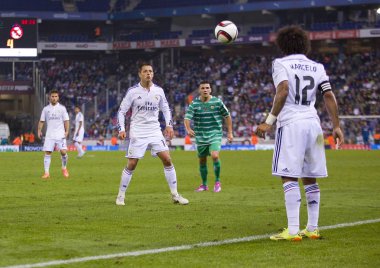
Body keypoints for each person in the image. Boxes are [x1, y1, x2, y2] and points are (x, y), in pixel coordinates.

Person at [255, 26, 344, 241]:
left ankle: (293, 230)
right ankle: (312, 228)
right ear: (305, 44)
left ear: (283, 45)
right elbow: (329, 95)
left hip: (292, 123)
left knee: (288, 174)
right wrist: (337, 126)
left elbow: (283, 90)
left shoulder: (280, 63)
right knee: (310, 176)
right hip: (313, 124)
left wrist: (269, 122)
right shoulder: (317, 66)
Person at [115, 63, 189, 206]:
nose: (148, 74)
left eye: (150, 71)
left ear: (153, 74)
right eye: (145, 71)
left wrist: (169, 125)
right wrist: (122, 129)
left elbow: (166, 109)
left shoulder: (159, 91)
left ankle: (175, 195)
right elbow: (121, 112)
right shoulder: (132, 91)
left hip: (155, 130)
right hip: (138, 130)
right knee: (132, 163)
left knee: (167, 159)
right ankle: (120, 195)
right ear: (140, 74)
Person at [184, 81, 233, 192]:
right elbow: (187, 117)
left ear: (210, 90)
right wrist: (188, 128)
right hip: (200, 135)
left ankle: (217, 182)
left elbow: (227, 116)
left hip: (215, 133)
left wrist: (230, 132)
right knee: (202, 160)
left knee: (215, 156)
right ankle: (204, 185)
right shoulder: (194, 103)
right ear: (199, 90)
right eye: (203, 88)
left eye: (207, 88)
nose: (205, 90)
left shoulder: (217, 102)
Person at [38, 89, 70, 179]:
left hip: (60, 134)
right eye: (53, 96)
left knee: (63, 152)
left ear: (58, 97)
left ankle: (64, 168)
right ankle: (47, 173)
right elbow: (41, 121)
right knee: (48, 152)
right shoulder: (46, 109)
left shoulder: (62, 108)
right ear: (49, 97)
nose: (54, 98)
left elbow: (66, 120)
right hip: (50, 134)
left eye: (56, 96)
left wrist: (67, 131)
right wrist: (39, 130)